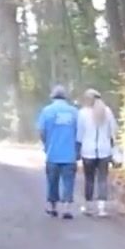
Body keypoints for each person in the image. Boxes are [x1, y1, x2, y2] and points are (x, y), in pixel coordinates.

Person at [36, 85, 81, 218]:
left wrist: (46, 143)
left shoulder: (47, 111)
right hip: (69, 154)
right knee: (68, 182)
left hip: (53, 153)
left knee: (52, 181)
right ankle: (67, 209)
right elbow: (79, 132)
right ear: (65, 97)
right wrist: (77, 148)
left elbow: (41, 131)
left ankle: (52, 207)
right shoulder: (74, 112)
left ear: (53, 97)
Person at [76, 89, 120, 217]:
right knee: (102, 179)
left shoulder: (83, 113)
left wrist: (78, 147)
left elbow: (79, 134)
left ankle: (88, 206)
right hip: (104, 150)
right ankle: (102, 208)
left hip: (88, 150)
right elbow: (113, 130)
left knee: (89, 179)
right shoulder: (107, 111)